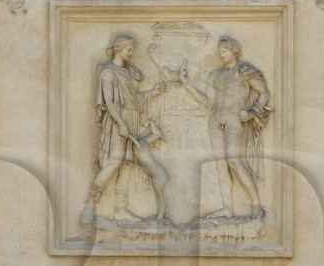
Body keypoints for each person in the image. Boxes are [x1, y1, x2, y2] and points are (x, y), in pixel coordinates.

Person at [176, 35, 270, 219]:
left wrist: (252, 112)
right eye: (220, 51)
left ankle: (256, 204)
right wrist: (186, 84)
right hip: (215, 120)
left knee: (234, 162)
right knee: (220, 165)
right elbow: (207, 101)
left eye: (225, 50)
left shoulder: (243, 70)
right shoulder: (215, 74)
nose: (222, 54)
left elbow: (264, 93)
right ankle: (227, 209)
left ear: (234, 51)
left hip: (234, 120)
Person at [80, 34, 171, 224]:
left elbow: (133, 99)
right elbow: (109, 102)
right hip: (118, 121)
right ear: (119, 49)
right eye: (129, 49)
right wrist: (121, 124)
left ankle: (120, 209)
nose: (131, 53)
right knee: (114, 162)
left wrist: (153, 92)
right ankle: (89, 205)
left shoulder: (128, 73)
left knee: (127, 165)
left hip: (131, 120)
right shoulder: (108, 73)